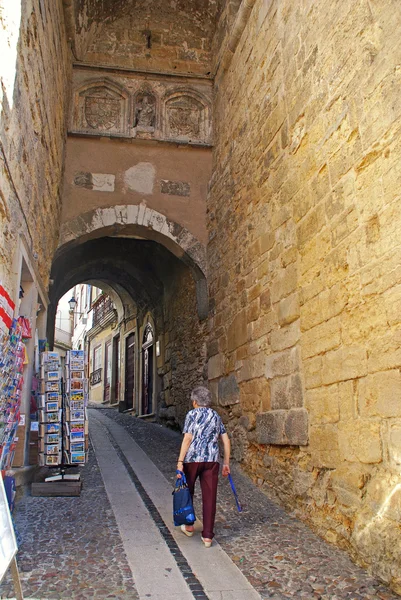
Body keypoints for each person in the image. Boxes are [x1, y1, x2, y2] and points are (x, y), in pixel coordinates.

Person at [176, 386, 231, 547]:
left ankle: (189, 525)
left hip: (192, 459)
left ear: (194, 402)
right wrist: (226, 462)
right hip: (211, 461)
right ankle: (207, 536)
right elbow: (226, 441)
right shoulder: (215, 416)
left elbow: (187, 438)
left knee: (188, 492)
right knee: (210, 496)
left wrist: (180, 461)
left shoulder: (191, 415)